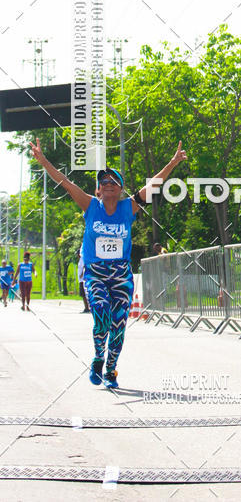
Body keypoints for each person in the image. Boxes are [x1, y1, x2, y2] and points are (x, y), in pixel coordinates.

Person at [29, 138, 187, 388]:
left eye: (114, 181)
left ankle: (111, 370)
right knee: (101, 315)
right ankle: (98, 357)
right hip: (96, 273)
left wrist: (173, 162)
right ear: (98, 190)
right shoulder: (90, 205)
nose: (108, 184)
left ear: (121, 188)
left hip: (121, 274)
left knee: (119, 324)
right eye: (103, 182)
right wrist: (44, 161)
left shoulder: (129, 207)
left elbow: (154, 184)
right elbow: (65, 182)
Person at [77, 247, 90, 313]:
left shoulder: (82, 259)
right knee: (83, 295)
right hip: (81, 280)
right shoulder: (80, 260)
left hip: (83, 279)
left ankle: (87, 308)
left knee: (84, 295)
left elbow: (84, 266)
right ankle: (86, 307)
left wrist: (82, 274)